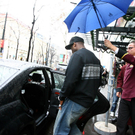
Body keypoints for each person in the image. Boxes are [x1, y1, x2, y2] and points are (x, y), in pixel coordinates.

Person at [53, 36, 102, 135]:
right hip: (87, 102)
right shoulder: (96, 59)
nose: (72, 51)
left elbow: (70, 80)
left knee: (59, 130)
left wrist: (62, 97)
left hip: (75, 101)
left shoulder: (77, 56)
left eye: (71, 48)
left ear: (75, 44)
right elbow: (99, 82)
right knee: (71, 126)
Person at [104, 39, 135, 135]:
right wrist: (118, 88)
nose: (128, 50)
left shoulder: (131, 60)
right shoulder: (126, 66)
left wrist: (112, 47)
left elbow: (131, 59)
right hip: (125, 97)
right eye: (127, 48)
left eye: (131, 48)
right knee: (121, 124)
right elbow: (120, 78)